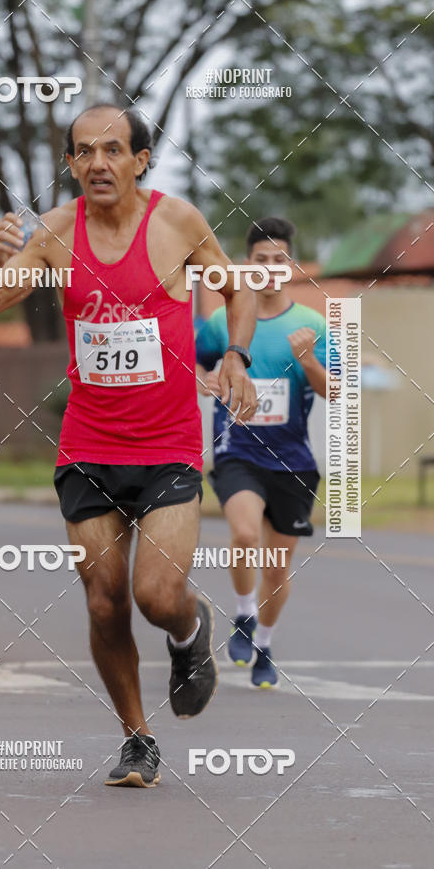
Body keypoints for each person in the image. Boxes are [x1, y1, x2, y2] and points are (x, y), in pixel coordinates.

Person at [0, 103, 258, 786]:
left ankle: (188, 634)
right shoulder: (55, 235)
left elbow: (237, 287)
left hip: (170, 443)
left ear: (140, 159)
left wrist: (236, 356)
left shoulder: (177, 222)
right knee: (103, 601)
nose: (99, 162)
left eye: (113, 149)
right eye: (84, 151)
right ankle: (137, 739)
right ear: (70, 164)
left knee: (157, 594)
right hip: (89, 445)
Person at [196, 217, 327, 688]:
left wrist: (308, 358)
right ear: (246, 266)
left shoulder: (313, 325)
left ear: (291, 265)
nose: (270, 268)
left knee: (277, 568)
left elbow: (337, 391)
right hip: (237, 451)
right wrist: (206, 378)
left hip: (293, 461)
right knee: (245, 535)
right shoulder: (221, 320)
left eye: (279, 259)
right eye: (260, 261)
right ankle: (244, 614)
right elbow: (193, 358)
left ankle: (265, 645)